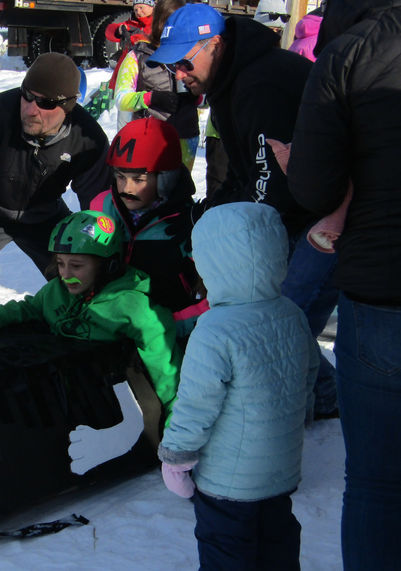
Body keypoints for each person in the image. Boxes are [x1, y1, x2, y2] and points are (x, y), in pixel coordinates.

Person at [148, 3, 339, 420]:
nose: (179, 74)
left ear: (214, 43)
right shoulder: (230, 83)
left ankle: (307, 406)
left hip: (329, 217)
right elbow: (241, 173)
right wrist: (204, 219)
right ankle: (324, 398)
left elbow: (271, 188)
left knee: (282, 316)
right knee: (282, 320)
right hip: (301, 213)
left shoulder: (259, 83)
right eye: (172, 67)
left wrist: (231, 245)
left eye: (183, 61)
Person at [287, 1, 401, 568]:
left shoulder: (351, 51)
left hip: (381, 294)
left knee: (379, 483)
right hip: (379, 287)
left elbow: (314, 186)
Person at [159, 202, 318, 570]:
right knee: (277, 546)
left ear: (213, 263)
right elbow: (308, 373)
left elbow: (196, 403)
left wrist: (177, 457)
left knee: (227, 553)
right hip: (280, 470)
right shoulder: (291, 313)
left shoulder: (215, 330)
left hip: (226, 484)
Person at [0, 53, 111, 335]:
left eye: (46, 103)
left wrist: (93, 256)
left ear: (68, 106)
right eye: (27, 95)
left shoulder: (87, 139)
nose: (31, 108)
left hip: (43, 215)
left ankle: (80, 342)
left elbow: (100, 209)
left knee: (78, 277)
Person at [0, 210, 182, 416]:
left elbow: (163, 366)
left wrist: (174, 412)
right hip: (67, 388)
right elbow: (31, 307)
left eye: (76, 266)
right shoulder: (57, 290)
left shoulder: (132, 307)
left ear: (108, 265)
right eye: (60, 264)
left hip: (114, 397)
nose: (65, 274)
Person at [90, 117, 207, 338]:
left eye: (139, 179)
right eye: (120, 177)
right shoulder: (101, 208)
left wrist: (175, 326)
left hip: (166, 333)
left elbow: (213, 296)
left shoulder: (186, 224)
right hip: (110, 326)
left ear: (166, 179)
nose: (126, 188)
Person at [113, 0, 200, 168]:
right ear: (159, 23)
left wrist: (196, 95)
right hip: (149, 137)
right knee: (148, 189)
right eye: (170, 22)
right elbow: (121, 99)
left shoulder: (192, 52)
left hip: (186, 135)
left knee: (180, 189)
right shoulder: (138, 56)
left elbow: (204, 100)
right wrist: (151, 98)